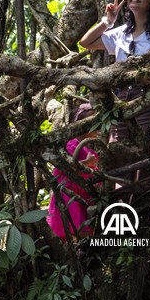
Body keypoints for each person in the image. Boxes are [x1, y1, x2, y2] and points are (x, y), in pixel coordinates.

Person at [78, 0, 150, 152]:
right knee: (118, 153)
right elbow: (86, 42)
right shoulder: (122, 33)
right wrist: (108, 22)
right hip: (121, 101)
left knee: (149, 153)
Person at [46, 103, 98, 241]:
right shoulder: (71, 144)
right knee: (73, 230)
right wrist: (87, 163)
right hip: (69, 195)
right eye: (92, 123)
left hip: (84, 194)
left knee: (84, 233)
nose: (97, 127)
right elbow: (64, 167)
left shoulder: (88, 147)